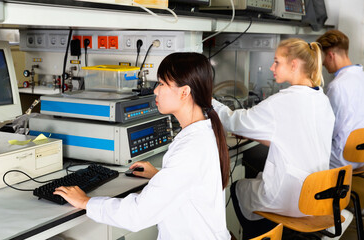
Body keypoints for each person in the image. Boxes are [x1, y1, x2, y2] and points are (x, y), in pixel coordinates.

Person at [54, 52, 231, 240]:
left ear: (184, 92)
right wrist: (160, 176)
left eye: (162, 84)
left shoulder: (191, 148)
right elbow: (190, 183)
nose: (155, 91)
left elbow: (138, 214)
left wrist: (86, 202)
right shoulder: (203, 131)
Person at [212, 38, 335, 239]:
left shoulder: (283, 101)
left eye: (277, 61)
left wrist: (208, 101)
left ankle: (265, 237)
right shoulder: (321, 99)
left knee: (237, 188)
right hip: (317, 193)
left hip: (292, 197)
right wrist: (259, 135)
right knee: (259, 173)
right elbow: (298, 138)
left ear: (294, 64)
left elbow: (233, 121)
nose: (271, 67)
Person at [316, 30, 364, 169]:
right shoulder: (361, 76)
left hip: (343, 158)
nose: (323, 64)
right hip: (361, 155)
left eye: (323, 59)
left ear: (331, 55)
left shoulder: (337, 86)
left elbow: (328, 129)